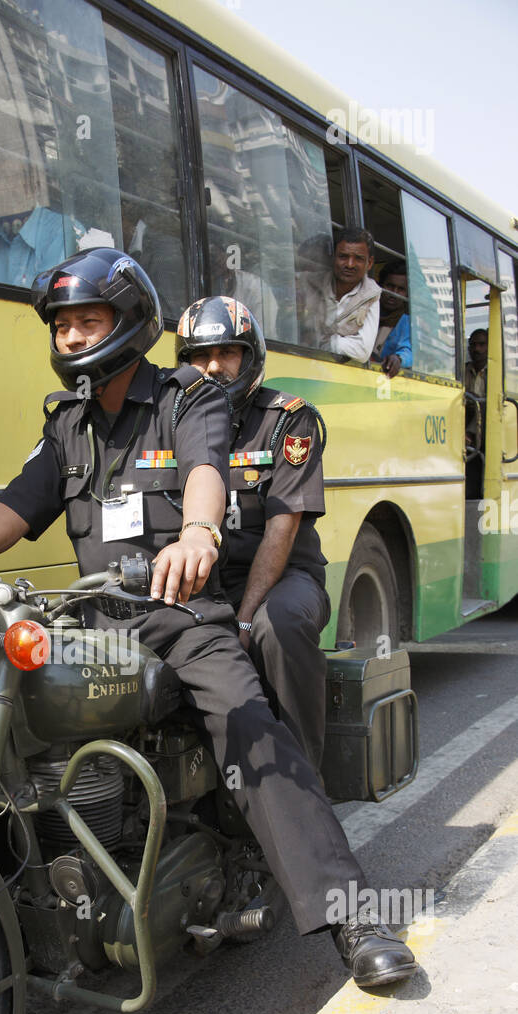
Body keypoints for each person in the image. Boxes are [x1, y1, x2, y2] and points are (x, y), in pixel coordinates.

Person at [0, 248, 416, 990]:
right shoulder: (68, 424)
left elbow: (206, 469)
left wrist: (199, 533)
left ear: (130, 322)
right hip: (95, 624)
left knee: (251, 732)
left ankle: (353, 914)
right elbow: (18, 505)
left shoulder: (188, 399)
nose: (72, 337)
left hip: (180, 617)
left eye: (88, 321)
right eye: (62, 325)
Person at [176, 295, 331, 773]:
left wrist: (243, 619)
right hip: (208, 580)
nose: (214, 366)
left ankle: (302, 780)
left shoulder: (288, 419)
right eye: (200, 356)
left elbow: (281, 530)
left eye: (227, 352)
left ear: (251, 356)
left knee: (276, 627)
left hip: (284, 577)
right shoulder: (173, 419)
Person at [299, 226, 380, 362]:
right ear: (333, 258)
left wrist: (323, 341)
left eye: (358, 258)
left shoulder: (372, 294)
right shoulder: (309, 281)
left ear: (369, 263)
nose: (350, 264)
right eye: (343, 256)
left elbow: (362, 351)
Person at [372, 261, 412, 378]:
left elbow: (408, 351)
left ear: (407, 294)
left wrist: (398, 359)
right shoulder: (368, 310)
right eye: (389, 286)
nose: (394, 293)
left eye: (400, 289)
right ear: (380, 286)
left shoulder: (407, 322)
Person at [464, 328, 488, 498]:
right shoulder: (463, 370)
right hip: (465, 418)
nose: (477, 349)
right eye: (473, 345)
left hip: (486, 426)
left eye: (481, 345)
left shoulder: (496, 372)